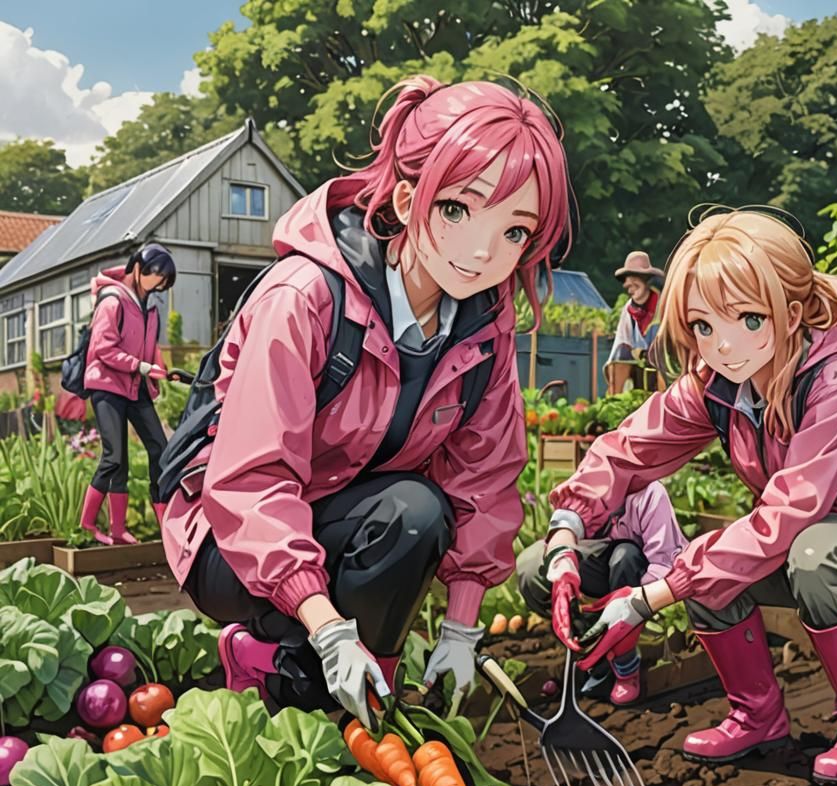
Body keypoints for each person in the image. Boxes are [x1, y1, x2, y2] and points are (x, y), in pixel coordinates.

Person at [160, 76, 572, 729]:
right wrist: (327, 629)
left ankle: (356, 696)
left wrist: (462, 629)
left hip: (345, 518)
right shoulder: (304, 298)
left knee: (419, 514)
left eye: (515, 230)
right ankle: (285, 658)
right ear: (409, 199)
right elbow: (250, 483)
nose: (483, 251)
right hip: (229, 541)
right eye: (458, 211)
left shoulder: (482, 331)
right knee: (407, 515)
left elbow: (485, 480)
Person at [541, 210, 837, 786]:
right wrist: (566, 532)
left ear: (789, 314)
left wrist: (646, 598)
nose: (724, 345)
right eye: (704, 326)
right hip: (806, 541)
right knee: (712, 560)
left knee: (805, 552)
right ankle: (757, 715)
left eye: (748, 319)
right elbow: (627, 448)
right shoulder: (721, 385)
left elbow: (791, 512)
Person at [517, 481, 685, 705]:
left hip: (634, 572)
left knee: (625, 556)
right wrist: (563, 564)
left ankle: (624, 665)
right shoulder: (588, 481)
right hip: (597, 559)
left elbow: (662, 561)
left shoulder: (650, 494)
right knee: (531, 564)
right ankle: (583, 648)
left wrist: (636, 602)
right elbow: (565, 526)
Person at [79, 243, 175, 545]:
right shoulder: (112, 301)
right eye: (156, 276)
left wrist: (155, 370)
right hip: (107, 385)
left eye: (164, 281)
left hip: (135, 385)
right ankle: (92, 524)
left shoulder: (151, 309)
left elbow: (150, 347)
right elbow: (103, 348)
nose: (159, 284)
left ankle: (164, 524)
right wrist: (141, 366)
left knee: (161, 449)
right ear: (137, 269)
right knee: (114, 457)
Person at [605, 250, 663, 395]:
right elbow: (621, 343)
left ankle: (665, 403)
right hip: (637, 369)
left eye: (635, 283)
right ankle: (615, 399)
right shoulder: (628, 310)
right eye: (628, 284)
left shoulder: (663, 305)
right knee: (620, 356)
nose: (630, 287)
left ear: (646, 281)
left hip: (662, 370)